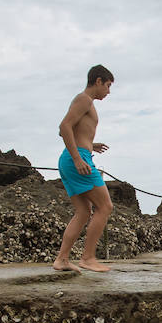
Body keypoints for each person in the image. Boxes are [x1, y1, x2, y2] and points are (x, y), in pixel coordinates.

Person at [52, 64, 115, 273]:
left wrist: (90, 145)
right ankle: (88, 258)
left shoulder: (84, 101)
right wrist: (78, 158)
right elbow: (64, 127)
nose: (108, 91)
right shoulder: (84, 99)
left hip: (73, 158)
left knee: (83, 211)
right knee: (105, 206)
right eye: (108, 85)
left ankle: (62, 259)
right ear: (98, 81)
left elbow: (68, 130)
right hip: (76, 159)